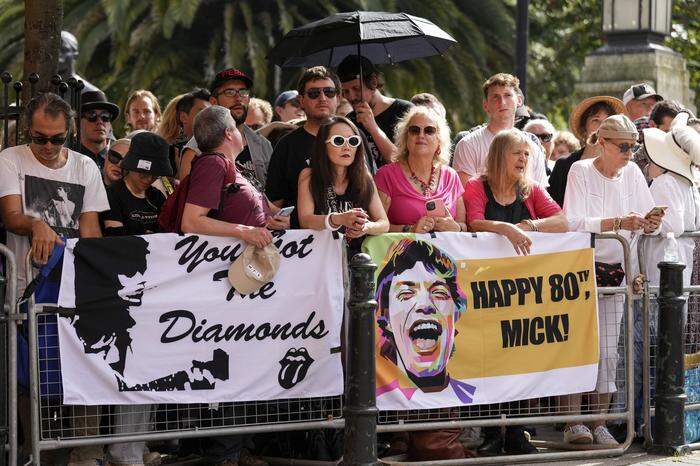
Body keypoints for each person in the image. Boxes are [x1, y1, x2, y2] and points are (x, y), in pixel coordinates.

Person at [0, 92, 109, 466]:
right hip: (26, 289)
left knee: (85, 371)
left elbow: (91, 231)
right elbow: (11, 216)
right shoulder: (10, 159)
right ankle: (37, 455)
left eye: (56, 139)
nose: (47, 146)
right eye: (39, 137)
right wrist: (37, 225)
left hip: (74, 291)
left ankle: (86, 454)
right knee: (32, 379)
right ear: (28, 131)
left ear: (71, 133)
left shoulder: (85, 168)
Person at [562, 114, 664, 446]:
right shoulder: (580, 171)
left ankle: (600, 422)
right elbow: (573, 221)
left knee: (608, 352)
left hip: (618, 272)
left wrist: (650, 223)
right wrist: (618, 221)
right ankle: (573, 422)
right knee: (577, 346)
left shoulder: (633, 172)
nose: (630, 153)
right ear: (602, 144)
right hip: (579, 271)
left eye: (634, 147)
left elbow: (648, 215)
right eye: (623, 146)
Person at [462, 128, 565, 455]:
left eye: (526, 154)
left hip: (522, 294)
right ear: (498, 156)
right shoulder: (476, 186)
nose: (523, 159)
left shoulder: (531, 189)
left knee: (521, 360)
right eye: (516, 153)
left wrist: (531, 225)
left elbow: (562, 221)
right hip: (483, 293)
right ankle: (492, 432)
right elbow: (474, 222)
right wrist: (505, 227)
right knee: (487, 359)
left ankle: (517, 431)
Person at [297, 115, 389, 249]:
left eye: (353, 141)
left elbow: (384, 223)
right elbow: (305, 220)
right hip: (321, 256)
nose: (347, 147)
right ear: (323, 145)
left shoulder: (364, 176)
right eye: (338, 141)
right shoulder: (309, 175)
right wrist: (338, 219)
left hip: (358, 258)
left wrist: (366, 227)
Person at [265, 66, 341, 228]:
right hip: (303, 241)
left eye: (329, 92)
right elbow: (275, 203)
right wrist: (287, 222)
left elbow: (368, 192)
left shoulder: (356, 137)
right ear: (301, 101)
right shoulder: (287, 145)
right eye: (314, 93)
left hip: (350, 237)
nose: (322, 98)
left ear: (338, 98)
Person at [178, 69, 273, 193]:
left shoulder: (263, 145)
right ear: (213, 102)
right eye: (230, 92)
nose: (238, 98)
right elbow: (188, 200)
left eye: (243, 92)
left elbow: (273, 195)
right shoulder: (195, 149)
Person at [375, 106, 466, 233]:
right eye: (414, 130)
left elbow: (463, 225)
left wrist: (456, 227)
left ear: (439, 140)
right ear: (406, 138)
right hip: (402, 252)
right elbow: (376, 227)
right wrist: (409, 229)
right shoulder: (386, 176)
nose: (421, 135)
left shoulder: (451, 176)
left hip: (446, 252)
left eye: (429, 130)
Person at [452, 73, 548, 187]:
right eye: (495, 97)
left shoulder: (532, 147)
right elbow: (464, 196)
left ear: (519, 101)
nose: (502, 102)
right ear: (486, 105)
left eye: (507, 95)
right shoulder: (468, 144)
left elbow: (540, 197)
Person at [547, 95, 625, 207]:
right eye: (596, 120)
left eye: (608, 120)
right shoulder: (564, 165)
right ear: (584, 128)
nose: (602, 126)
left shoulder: (624, 166)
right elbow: (552, 210)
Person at [337, 54, 413, 166]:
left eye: (356, 89)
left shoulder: (406, 111)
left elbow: (405, 165)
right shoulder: (350, 120)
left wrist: (373, 128)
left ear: (373, 82)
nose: (351, 97)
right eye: (346, 92)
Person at [101, 132, 171, 236]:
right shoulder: (112, 194)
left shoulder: (157, 197)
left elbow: (167, 233)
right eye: (143, 173)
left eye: (155, 175)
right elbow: (115, 237)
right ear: (131, 166)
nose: (149, 179)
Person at [78, 90, 120, 170]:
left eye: (105, 116)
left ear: (110, 125)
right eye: (92, 115)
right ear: (77, 123)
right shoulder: (67, 160)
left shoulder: (120, 162)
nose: (100, 122)